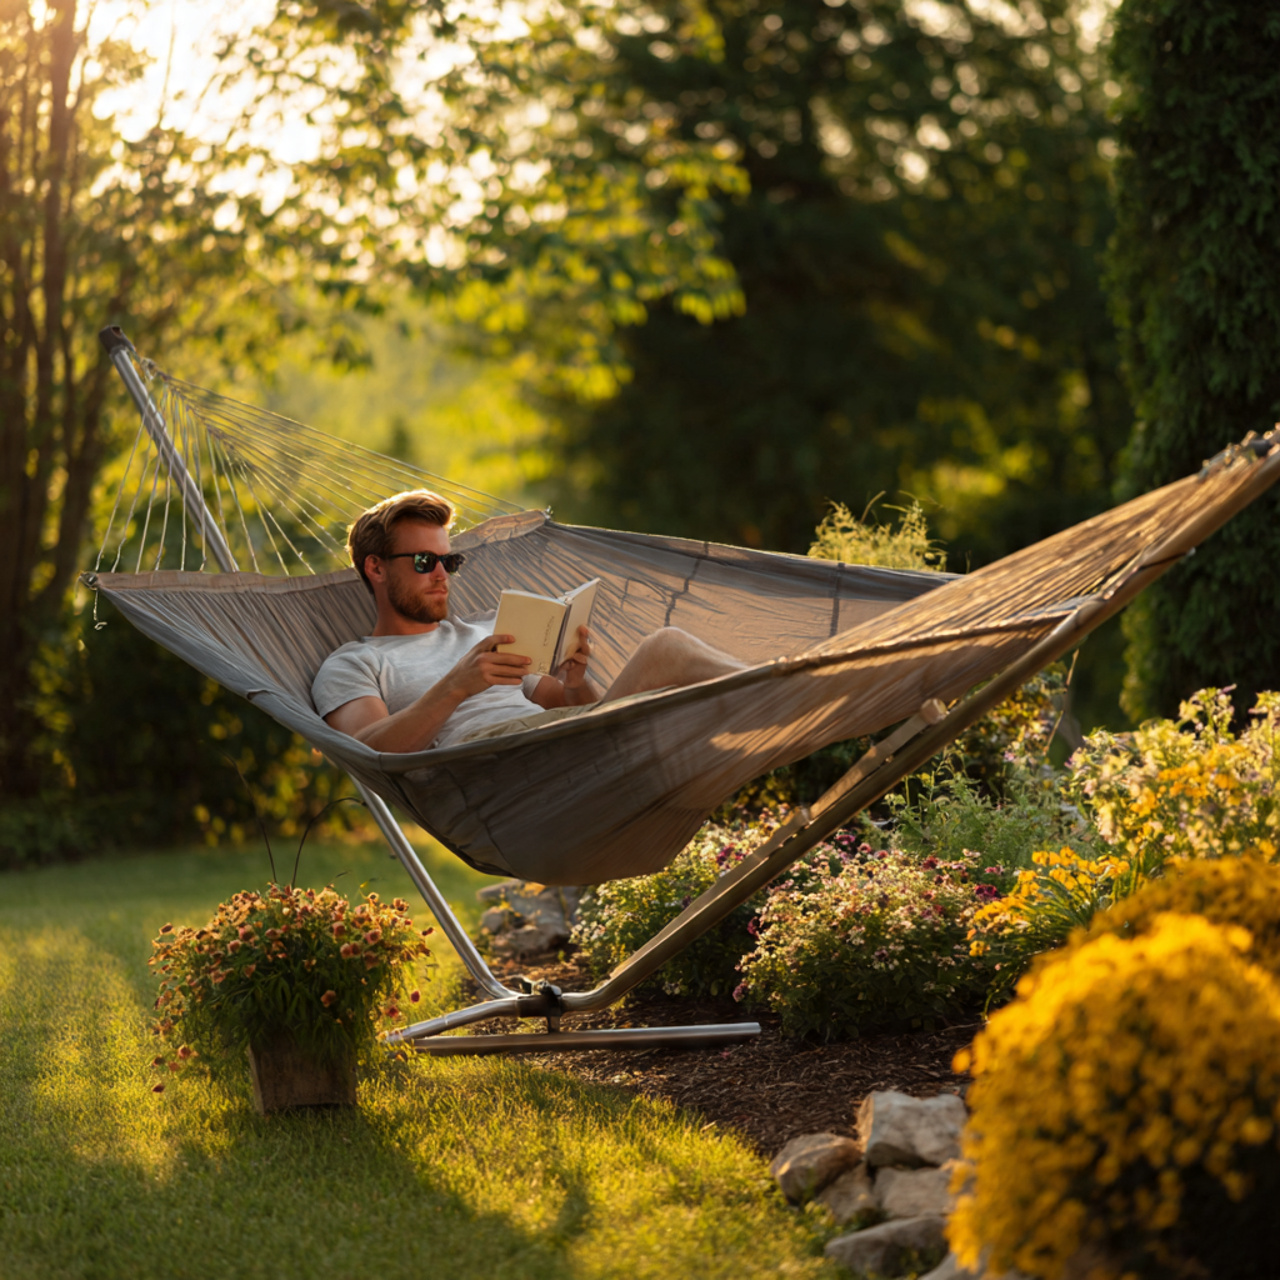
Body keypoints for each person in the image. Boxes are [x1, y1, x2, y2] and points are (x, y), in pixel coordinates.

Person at [313, 490, 747, 752]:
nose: (443, 574)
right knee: (666, 651)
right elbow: (369, 751)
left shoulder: (486, 632)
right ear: (376, 568)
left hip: (563, 746)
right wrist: (454, 687)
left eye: (450, 560)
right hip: (503, 765)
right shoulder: (354, 664)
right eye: (426, 561)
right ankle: (793, 687)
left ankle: (790, 689)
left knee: (666, 650)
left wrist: (575, 681)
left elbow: (578, 711)